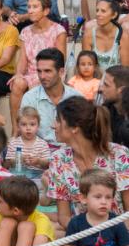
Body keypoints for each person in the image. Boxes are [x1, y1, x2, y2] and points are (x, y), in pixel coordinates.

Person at [47, 97, 129, 230]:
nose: (53, 125)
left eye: (58, 120)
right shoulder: (58, 159)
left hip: (120, 233)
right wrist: (87, 235)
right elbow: (64, 217)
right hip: (82, 234)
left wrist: (113, 236)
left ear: (74, 128)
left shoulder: (119, 154)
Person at [59, 169, 129, 246]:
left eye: (108, 197)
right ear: (84, 198)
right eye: (98, 197)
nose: (104, 202)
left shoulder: (117, 222)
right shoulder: (75, 222)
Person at [9, 0, 68, 122]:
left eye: (35, 7)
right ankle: (15, 128)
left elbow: (60, 61)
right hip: (30, 73)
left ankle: (37, 128)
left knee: (37, 82)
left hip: (51, 72)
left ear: (46, 11)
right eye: (29, 7)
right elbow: (23, 59)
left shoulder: (58, 31)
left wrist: (42, 74)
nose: (30, 11)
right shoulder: (25, 31)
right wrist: (18, 74)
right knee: (17, 83)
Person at [19, 48, 82, 145]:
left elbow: (82, 134)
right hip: (38, 152)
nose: (42, 76)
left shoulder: (76, 98)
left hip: (69, 152)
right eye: (39, 71)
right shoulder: (30, 98)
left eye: (47, 71)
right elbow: (25, 133)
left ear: (61, 72)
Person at [81, 0, 129, 73]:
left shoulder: (123, 37)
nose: (98, 14)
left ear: (114, 15)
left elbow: (125, 70)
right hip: (94, 80)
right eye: (97, 10)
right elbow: (84, 65)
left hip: (116, 81)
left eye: (103, 11)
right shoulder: (88, 35)